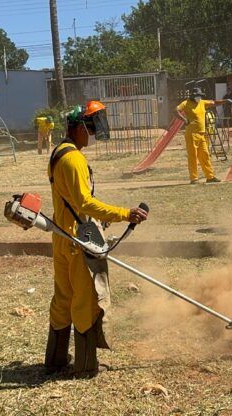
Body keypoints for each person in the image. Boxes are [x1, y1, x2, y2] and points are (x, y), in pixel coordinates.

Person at [45, 100, 148, 378]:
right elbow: (85, 203)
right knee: (87, 301)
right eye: (90, 126)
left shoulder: (59, 153)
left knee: (63, 299)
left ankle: (54, 360)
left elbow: (75, 202)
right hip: (79, 241)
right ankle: (86, 366)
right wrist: (125, 213)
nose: (93, 132)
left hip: (62, 237)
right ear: (78, 128)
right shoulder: (74, 158)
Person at [175, 87, 232, 184]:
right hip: (191, 134)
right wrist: (184, 120)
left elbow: (214, 103)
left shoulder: (202, 102)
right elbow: (175, 110)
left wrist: (225, 101)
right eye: (197, 96)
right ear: (193, 96)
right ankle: (194, 178)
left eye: (200, 96)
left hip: (202, 134)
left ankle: (210, 177)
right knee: (193, 156)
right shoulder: (186, 103)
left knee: (205, 155)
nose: (199, 97)